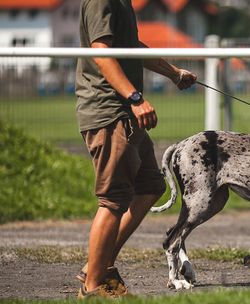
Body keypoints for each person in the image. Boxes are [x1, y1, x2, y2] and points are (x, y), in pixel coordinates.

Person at [75, 0, 196, 298]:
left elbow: (131, 46)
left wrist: (173, 72)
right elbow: (101, 51)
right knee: (113, 201)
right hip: (110, 113)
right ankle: (92, 288)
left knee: (150, 187)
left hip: (126, 115)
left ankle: (98, 267)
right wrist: (135, 97)